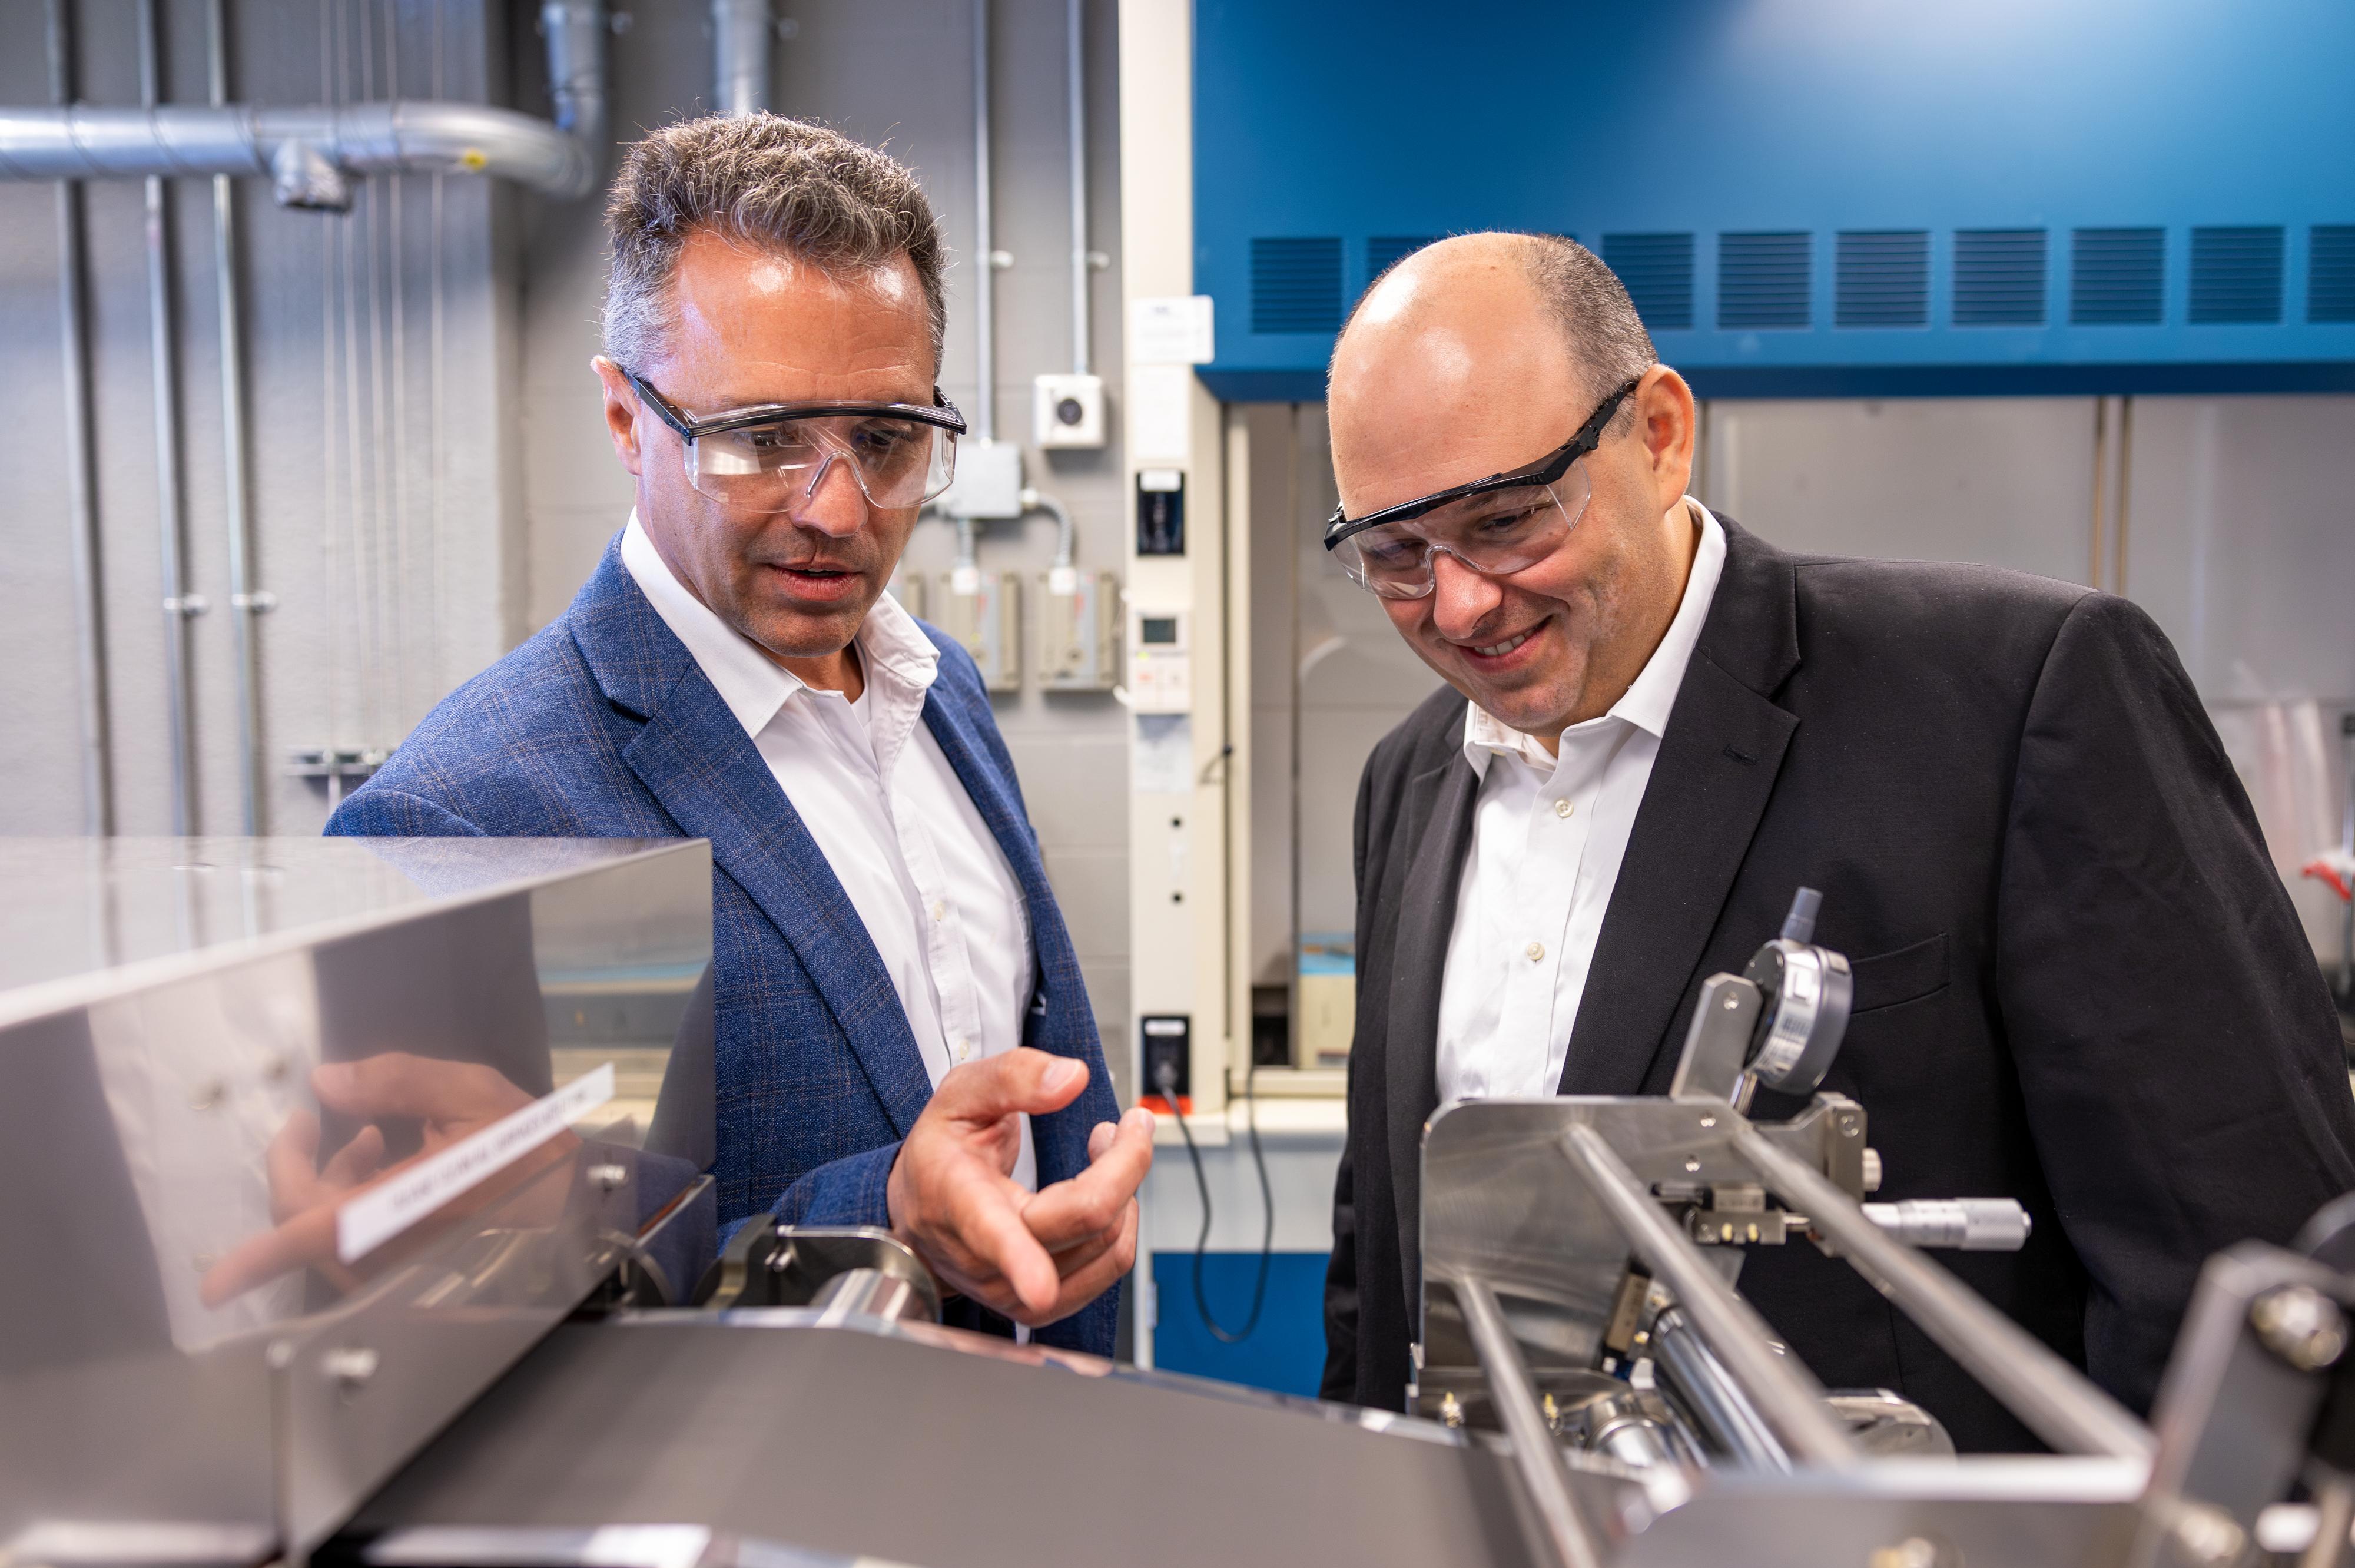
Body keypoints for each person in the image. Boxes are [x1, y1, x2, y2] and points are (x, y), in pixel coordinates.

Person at [1316, 231, 2355, 1448]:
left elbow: (2240, 1260)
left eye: (1503, 521)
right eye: (1393, 555)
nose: (1457, 604)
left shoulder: (2009, 698)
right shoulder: (1412, 778)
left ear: (1656, 435)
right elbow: (1379, 1256)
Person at [326, 114, 1150, 1355]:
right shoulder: (464, 818)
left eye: (884, 439)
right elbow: (438, 1340)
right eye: (761, 438)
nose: (835, 509)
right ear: (623, 416)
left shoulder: (941, 694)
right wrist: (879, 1217)